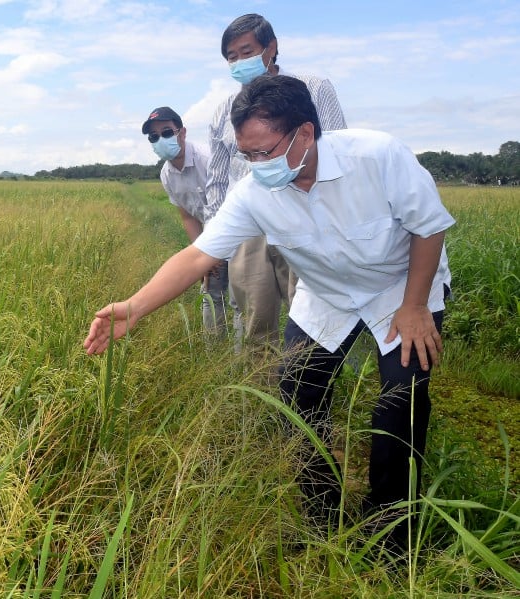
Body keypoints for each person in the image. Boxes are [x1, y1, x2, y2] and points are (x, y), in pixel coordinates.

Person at [85, 75, 454, 553]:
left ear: (304, 133)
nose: (256, 165)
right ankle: (321, 517)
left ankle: (390, 531)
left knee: (401, 399)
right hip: (326, 294)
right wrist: (134, 307)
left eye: (264, 152)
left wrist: (414, 306)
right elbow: (198, 255)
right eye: (247, 154)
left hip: (400, 285)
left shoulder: (377, 156)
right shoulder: (254, 191)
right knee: (296, 394)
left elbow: (428, 229)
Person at [206, 13, 347, 349]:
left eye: (246, 51)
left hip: (304, 217)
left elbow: (336, 148)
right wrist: (217, 240)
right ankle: (261, 395)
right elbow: (217, 182)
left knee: (314, 312)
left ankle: (309, 392)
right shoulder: (222, 112)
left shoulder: (312, 89)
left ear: (271, 48)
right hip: (250, 225)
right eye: (232, 57)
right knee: (254, 317)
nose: (240, 61)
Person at [142, 106, 227, 336]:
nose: (161, 139)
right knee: (209, 293)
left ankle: (244, 359)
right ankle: (216, 355)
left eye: (167, 132)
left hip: (238, 235)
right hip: (210, 241)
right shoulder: (166, 175)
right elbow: (188, 216)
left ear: (182, 132)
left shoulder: (207, 159)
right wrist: (202, 254)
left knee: (241, 300)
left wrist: (214, 248)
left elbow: (229, 206)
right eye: (154, 136)